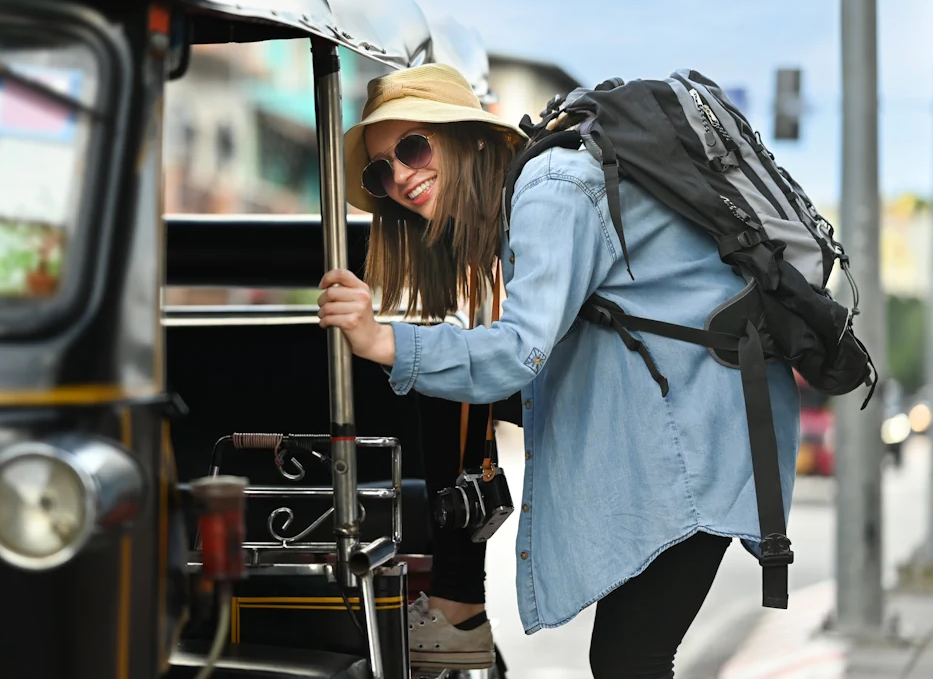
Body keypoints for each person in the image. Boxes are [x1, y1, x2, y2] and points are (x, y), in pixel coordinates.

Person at [317, 63, 800, 679]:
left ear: (472, 140)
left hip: (700, 435)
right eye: (381, 170)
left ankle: (458, 606)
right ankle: (458, 603)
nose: (402, 176)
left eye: (414, 147)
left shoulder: (552, 189)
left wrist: (383, 340)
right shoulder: (529, 201)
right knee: (627, 659)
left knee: (630, 659)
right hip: (676, 417)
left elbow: (519, 352)